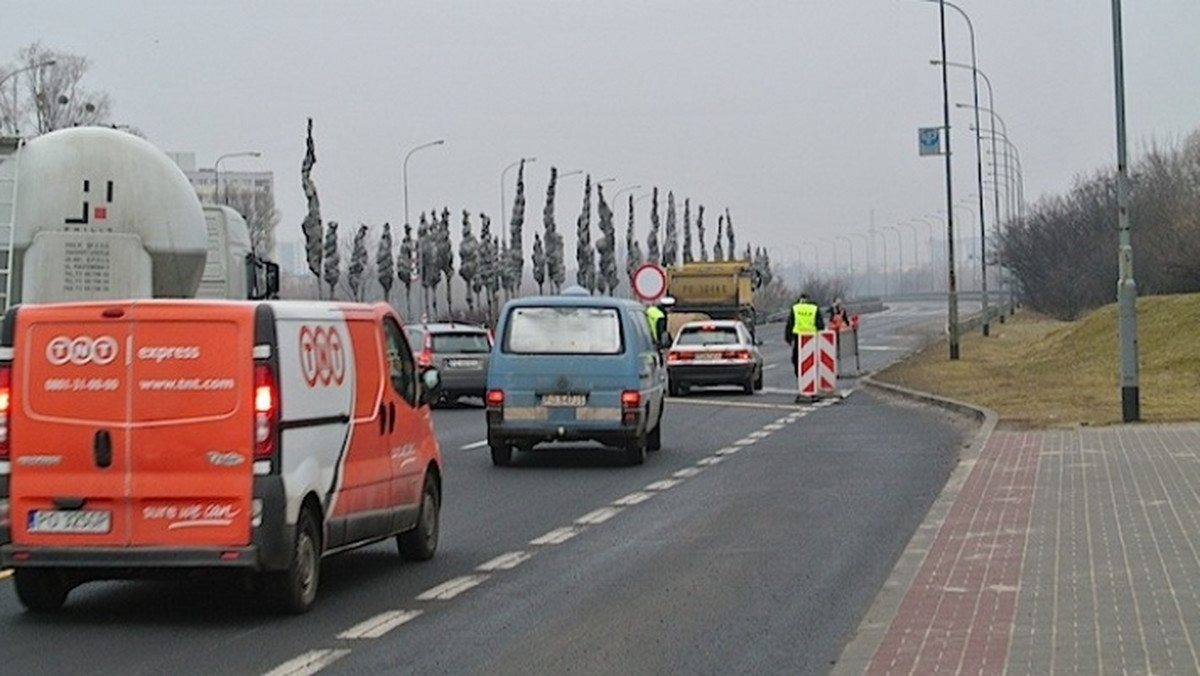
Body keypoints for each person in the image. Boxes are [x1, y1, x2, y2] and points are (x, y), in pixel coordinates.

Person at [785, 292, 824, 373]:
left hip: (798, 336)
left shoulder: (795, 308)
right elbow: (820, 324)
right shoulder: (814, 308)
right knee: (812, 356)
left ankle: (799, 373)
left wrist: (789, 339)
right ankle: (812, 371)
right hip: (812, 336)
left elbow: (790, 324)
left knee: (797, 357)